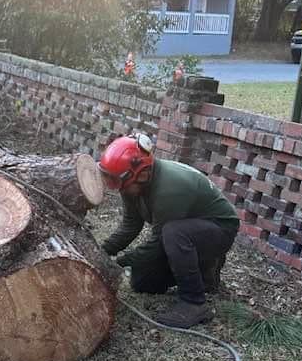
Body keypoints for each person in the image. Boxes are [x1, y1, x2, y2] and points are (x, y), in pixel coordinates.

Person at [98, 134, 239, 328]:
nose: (116, 188)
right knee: (142, 283)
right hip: (187, 230)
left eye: (117, 181)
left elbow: (158, 243)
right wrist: (101, 252)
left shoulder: (169, 189)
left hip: (219, 230)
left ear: (143, 173)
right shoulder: (131, 185)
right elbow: (130, 225)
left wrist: (119, 263)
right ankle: (203, 273)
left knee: (173, 233)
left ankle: (194, 302)